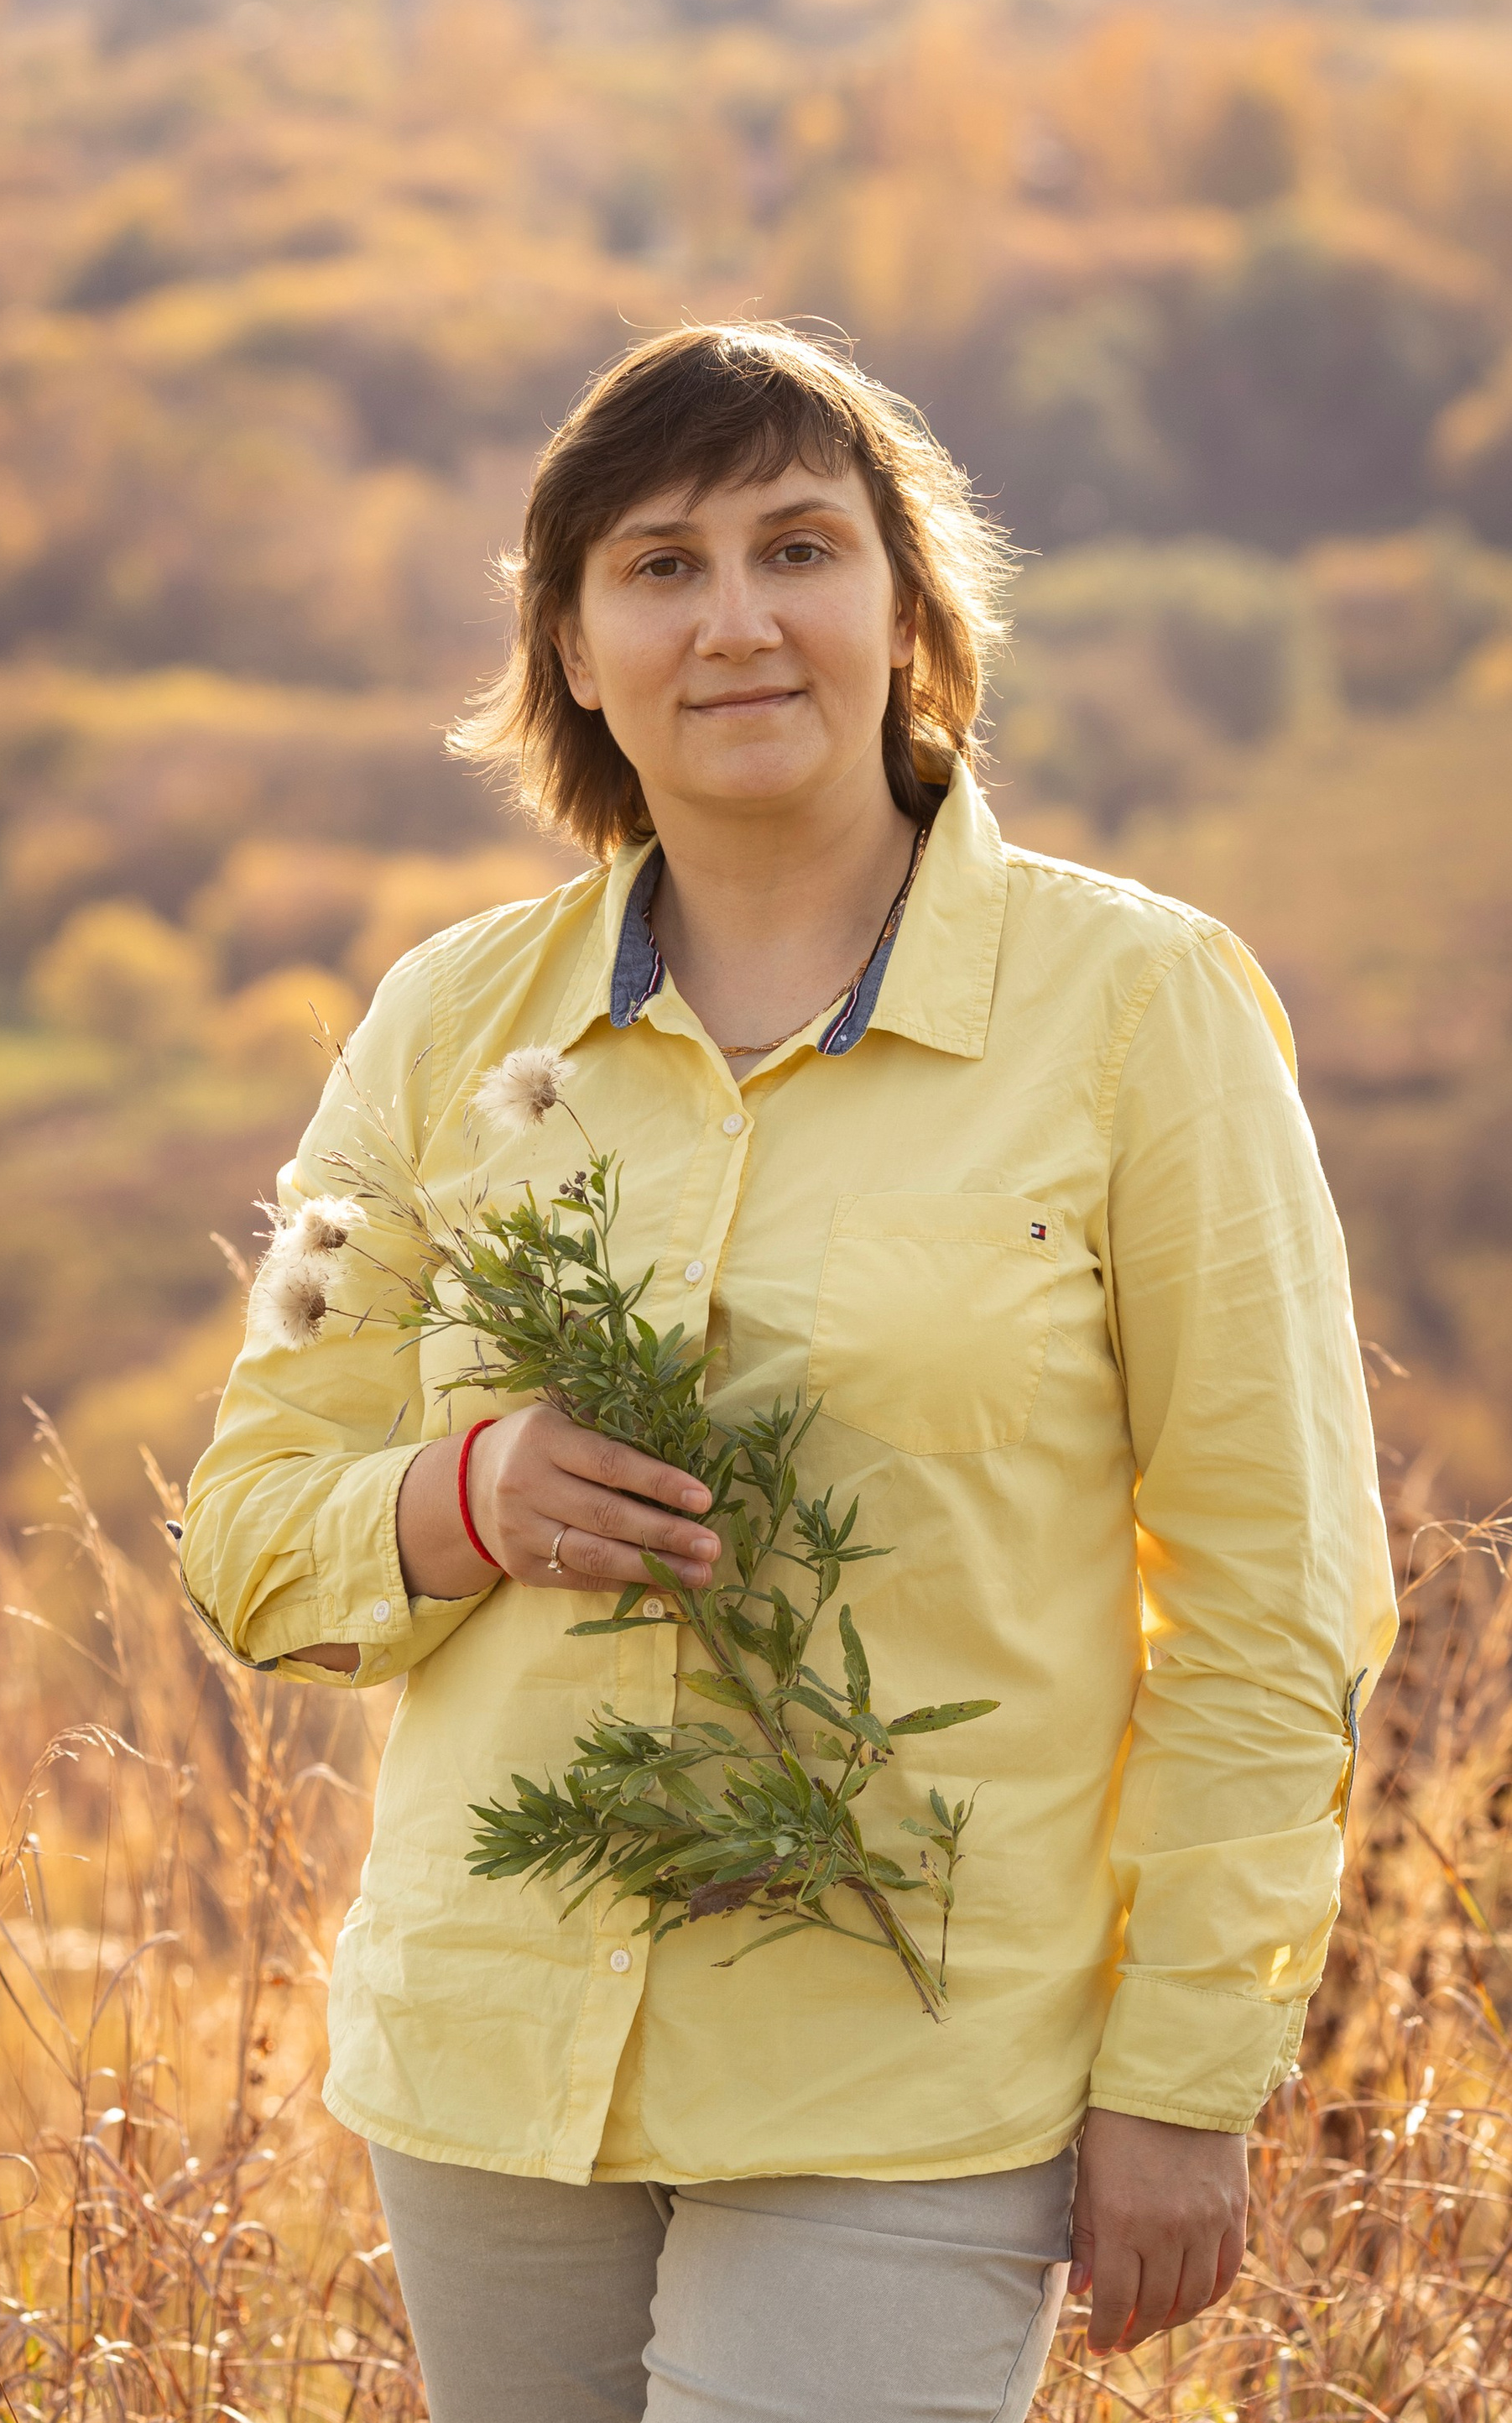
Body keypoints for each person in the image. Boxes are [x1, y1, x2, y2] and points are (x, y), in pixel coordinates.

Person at [180, 322, 1397, 2422]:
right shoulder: (436, 1024)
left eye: (798, 549)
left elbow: (1272, 1586)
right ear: (569, 645)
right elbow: (246, 1511)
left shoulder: (1141, 1013)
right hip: (490, 2069)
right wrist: (454, 1498)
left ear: (908, 613)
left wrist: (1186, 2071)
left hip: (908, 2068)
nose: (734, 619)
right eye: (657, 565)